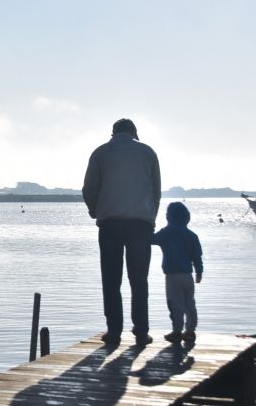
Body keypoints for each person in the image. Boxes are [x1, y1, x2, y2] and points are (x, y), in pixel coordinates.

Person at [83, 118, 161, 346]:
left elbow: (89, 187)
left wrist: (94, 210)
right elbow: (156, 189)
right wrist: (151, 217)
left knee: (111, 280)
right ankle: (141, 331)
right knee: (139, 280)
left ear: (113, 133)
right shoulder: (148, 152)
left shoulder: (100, 153)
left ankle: (114, 332)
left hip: (110, 223)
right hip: (141, 223)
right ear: (134, 133)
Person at [152, 202, 203, 343]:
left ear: (169, 217)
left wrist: (148, 226)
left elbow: (151, 239)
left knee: (175, 304)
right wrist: (199, 273)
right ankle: (191, 331)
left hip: (173, 276)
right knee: (189, 304)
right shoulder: (192, 235)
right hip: (188, 275)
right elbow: (197, 257)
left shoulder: (166, 233)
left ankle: (177, 331)